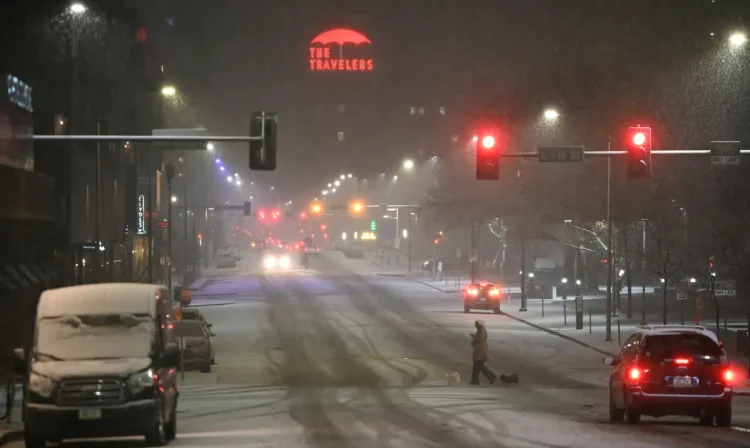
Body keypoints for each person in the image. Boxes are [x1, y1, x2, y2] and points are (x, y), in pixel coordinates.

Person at [470, 320, 496, 385]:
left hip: (480, 352)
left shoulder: (481, 331)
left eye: (476, 324)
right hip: (481, 351)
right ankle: (490, 376)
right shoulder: (481, 330)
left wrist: (474, 340)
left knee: (476, 367)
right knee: (480, 366)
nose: (475, 325)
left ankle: (475, 380)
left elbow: (479, 339)